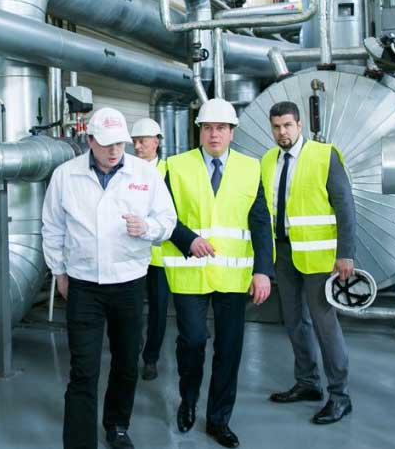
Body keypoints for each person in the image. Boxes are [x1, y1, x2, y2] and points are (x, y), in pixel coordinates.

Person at [42, 107, 177, 449]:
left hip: (129, 282)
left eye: (120, 143)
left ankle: (116, 424)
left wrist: (148, 228)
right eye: (106, 144)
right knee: (83, 368)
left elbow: (168, 220)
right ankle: (79, 442)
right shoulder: (65, 175)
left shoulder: (144, 173)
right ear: (89, 140)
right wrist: (58, 270)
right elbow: (52, 226)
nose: (115, 150)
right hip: (84, 284)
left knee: (126, 360)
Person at [162, 98, 274, 448]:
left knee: (230, 348)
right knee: (192, 341)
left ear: (231, 132)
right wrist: (187, 239)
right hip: (190, 271)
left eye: (221, 128)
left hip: (232, 275)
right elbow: (163, 215)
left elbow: (260, 222)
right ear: (200, 130)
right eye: (208, 127)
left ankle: (218, 419)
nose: (214, 134)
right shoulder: (176, 166)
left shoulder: (249, 168)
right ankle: (189, 400)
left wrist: (263, 272)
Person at [261, 101, 356, 425]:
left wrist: (345, 253)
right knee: (293, 322)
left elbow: (345, 205)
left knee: (324, 325)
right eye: (276, 126)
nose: (281, 132)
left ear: (299, 125)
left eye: (287, 125)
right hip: (283, 254)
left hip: (319, 257)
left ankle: (340, 396)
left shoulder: (323, 154)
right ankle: (307, 383)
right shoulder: (268, 160)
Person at [130, 117, 170, 382]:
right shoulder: (127, 170)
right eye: (134, 141)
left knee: (158, 310)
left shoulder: (170, 171)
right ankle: (130, 353)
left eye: (142, 141)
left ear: (156, 141)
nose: (137, 146)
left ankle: (151, 358)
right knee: (130, 309)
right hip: (131, 254)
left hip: (159, 256)